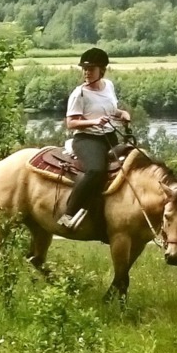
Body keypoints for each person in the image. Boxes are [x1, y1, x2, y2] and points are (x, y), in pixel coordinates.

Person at [60, 47, 130, 231]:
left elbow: (110, 109)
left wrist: (122, 113)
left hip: (109, 136)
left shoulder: (109, 86)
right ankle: (69, 214)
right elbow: (71, 123)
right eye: (84, 69)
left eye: (91, 69)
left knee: (131, 163)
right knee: (96, 171)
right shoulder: (79, 93)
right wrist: (93, 121)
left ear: (102, 70)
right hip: (87, 139)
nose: (86, 73)